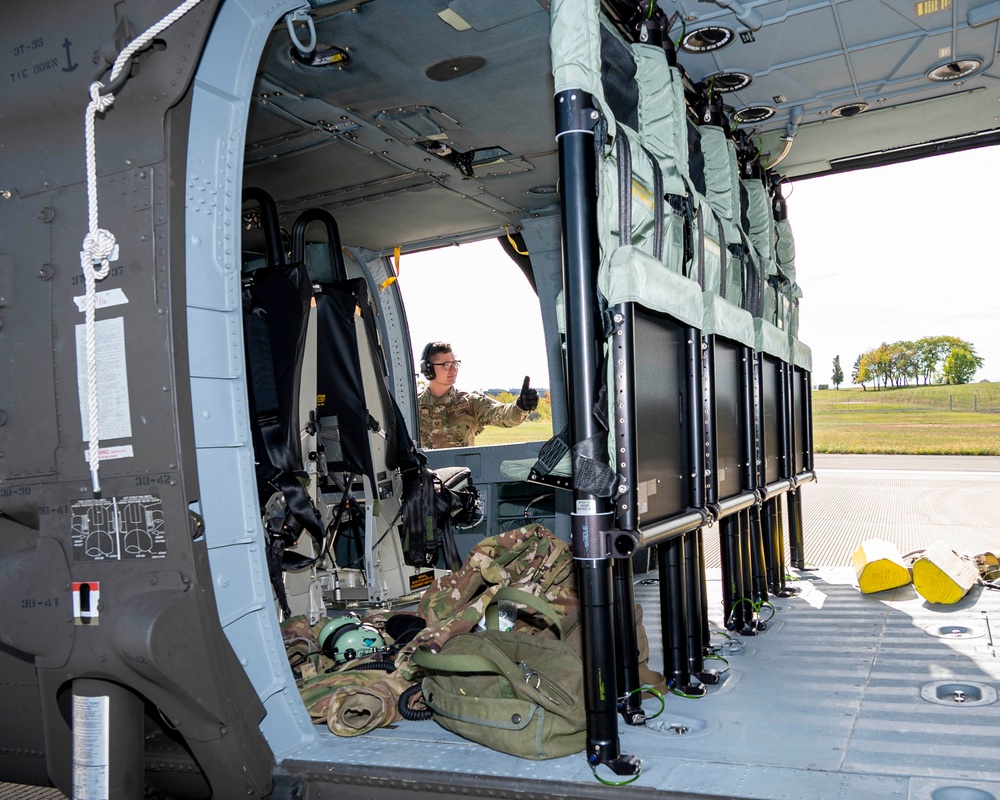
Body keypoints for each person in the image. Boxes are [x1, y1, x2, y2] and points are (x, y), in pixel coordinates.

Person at [417, 341, 538, 448]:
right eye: (446, 365)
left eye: (455, 363)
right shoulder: (412, 407)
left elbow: (503, 414)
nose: (453, 370)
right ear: (428, 369)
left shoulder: (470, 403)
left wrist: (520, 407)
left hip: (459, 473)